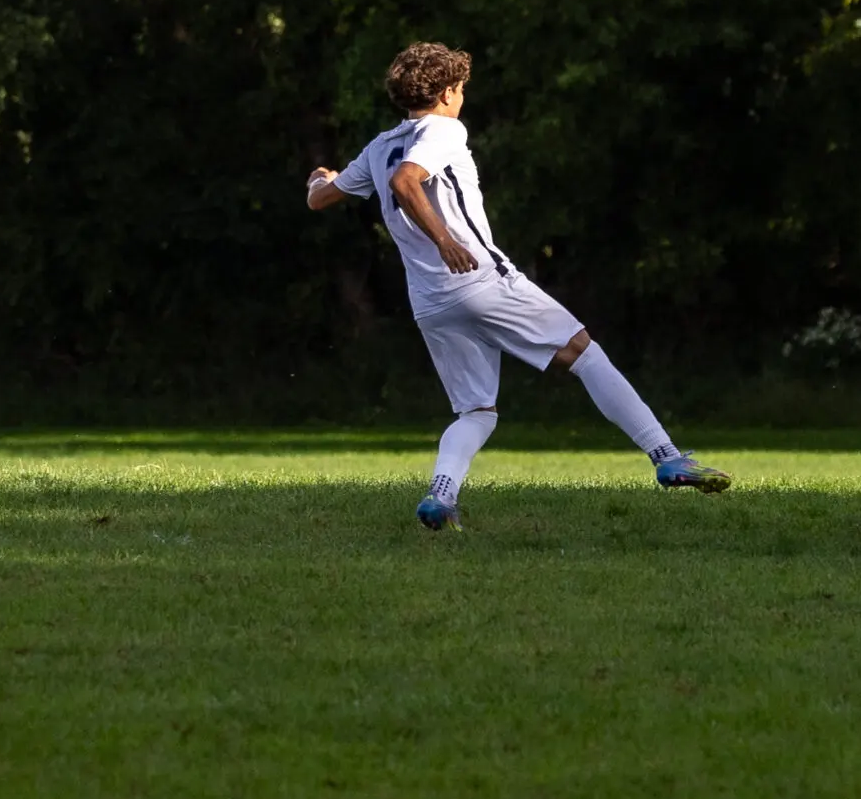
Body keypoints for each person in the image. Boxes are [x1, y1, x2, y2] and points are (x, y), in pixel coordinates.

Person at [308, 42, 727, 529]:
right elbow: (407, 181)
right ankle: (667, 457)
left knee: (476, 411)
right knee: (585, 354)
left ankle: (441, 496)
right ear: (446, 94)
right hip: (479, 279)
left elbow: (321, 199)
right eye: (460, 89)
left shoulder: (379, 146)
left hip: (430, 302)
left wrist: (319, 178)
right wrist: (445, 240)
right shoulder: (444, 129)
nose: (462, 97)